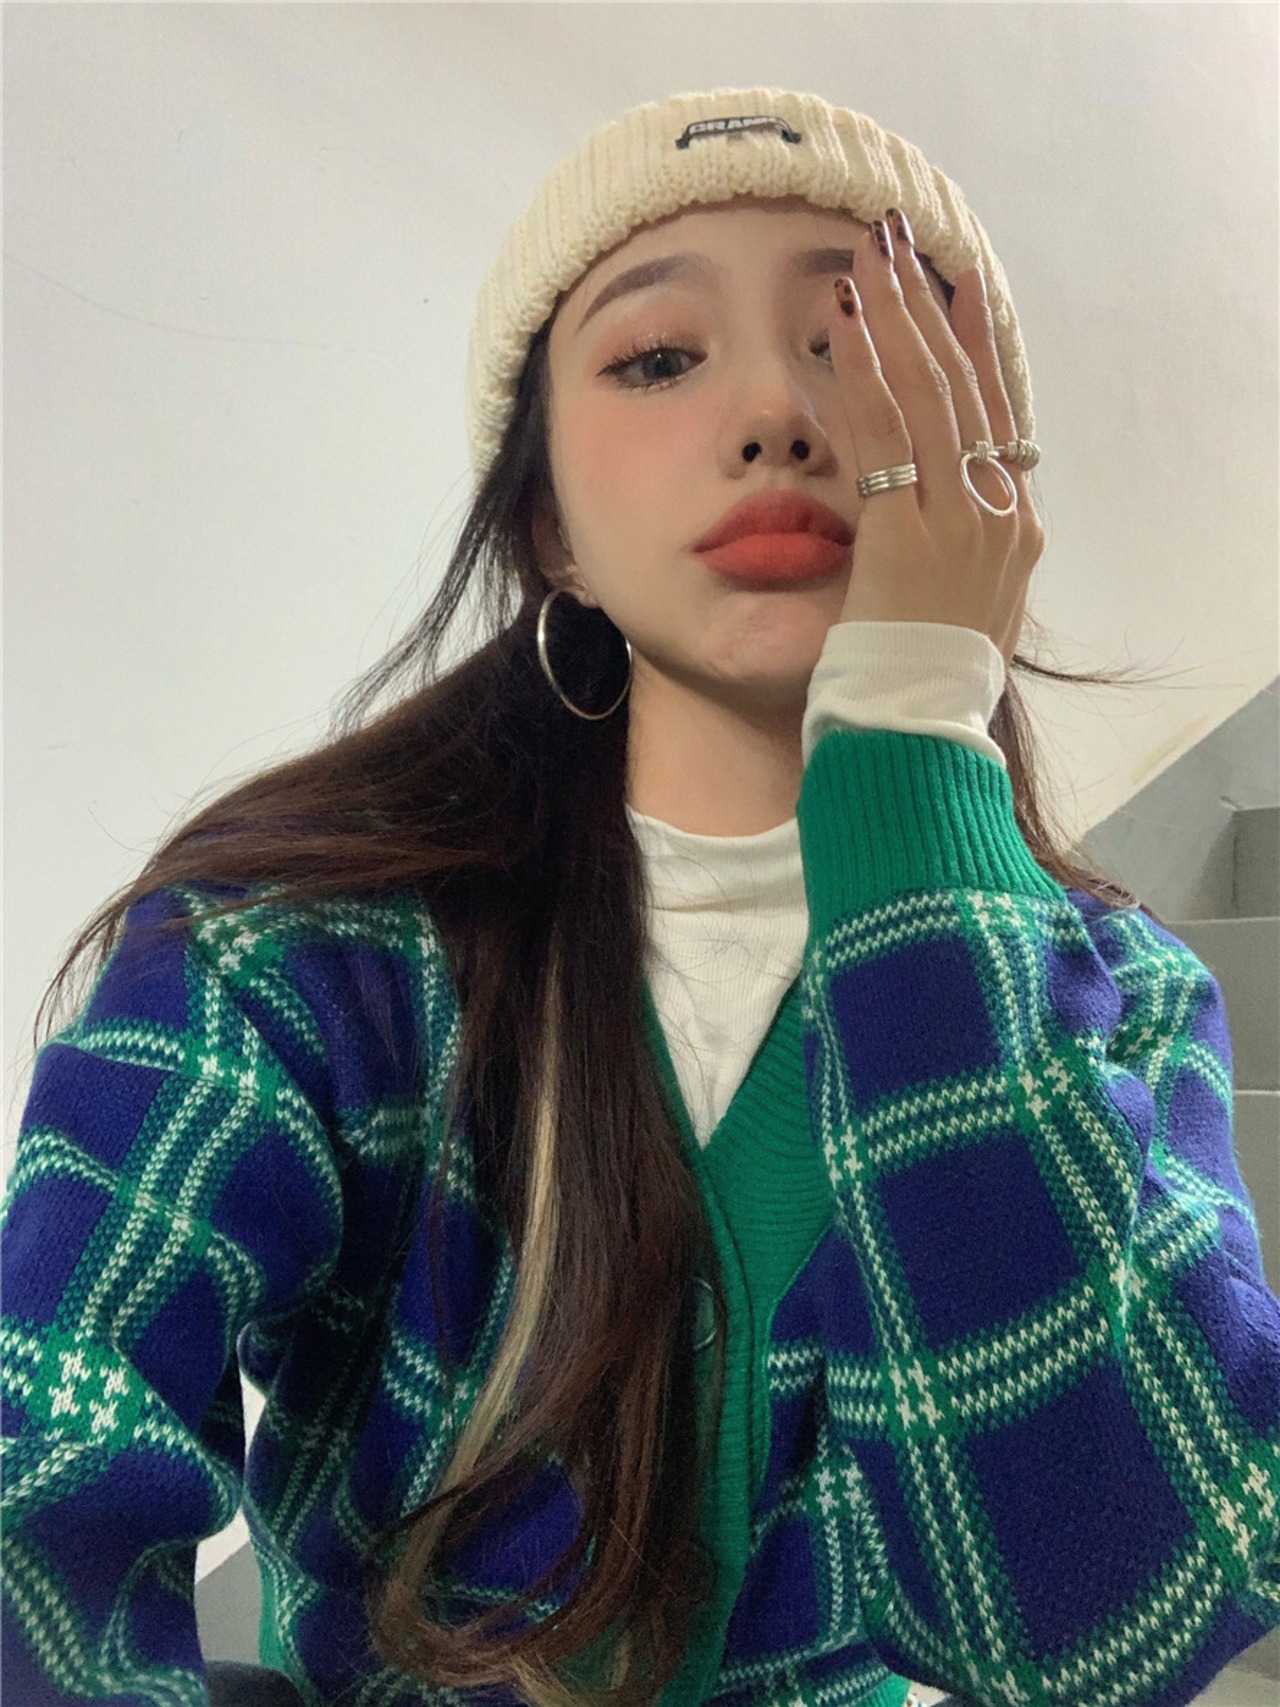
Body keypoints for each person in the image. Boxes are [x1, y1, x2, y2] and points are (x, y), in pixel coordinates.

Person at [2, 85, 1276, 1707]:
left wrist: (909, 740)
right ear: (549, 523)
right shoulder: (289, 949)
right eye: (660, 357)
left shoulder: (1119, 992)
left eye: (859, 347)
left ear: (986, 487)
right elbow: (37, 1456)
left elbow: (1093, 1629)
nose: (777, 415)